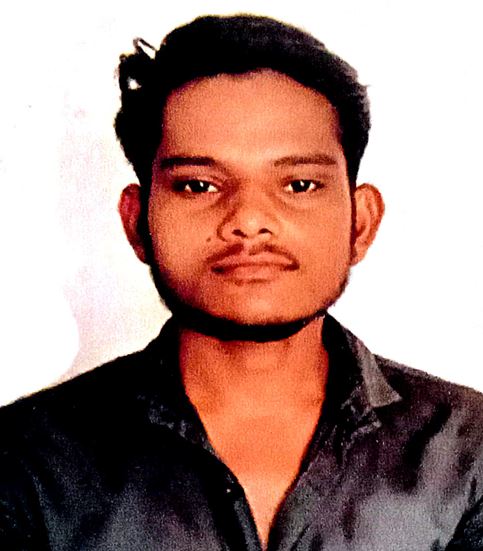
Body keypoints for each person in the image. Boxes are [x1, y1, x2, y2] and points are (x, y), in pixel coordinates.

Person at [1, 14, 482, 550]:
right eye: (198, 185)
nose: (249, 221)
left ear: (360, 223)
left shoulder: (470, 455)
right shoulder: (22, 463)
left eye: (300, 184)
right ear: (137, 222)